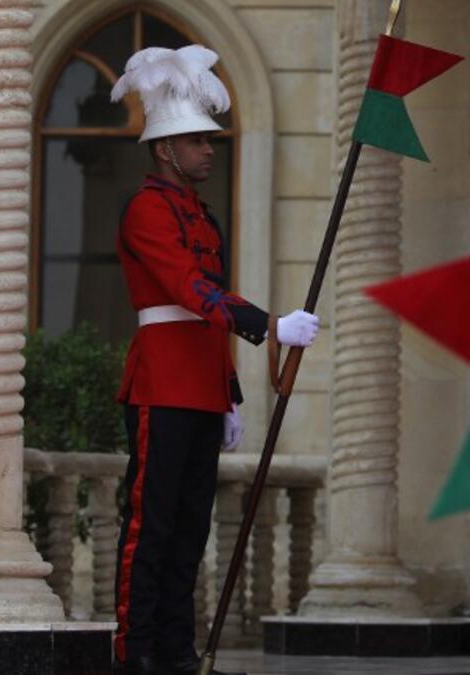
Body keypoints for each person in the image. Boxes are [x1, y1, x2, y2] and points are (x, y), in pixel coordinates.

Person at [108, 45, 319, 675]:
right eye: (199, 141)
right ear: (166, 148)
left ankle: (175, 648)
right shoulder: (147, 209)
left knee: (190, 530)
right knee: (151, 528)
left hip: (200, 387)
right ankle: (136, 649)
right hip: (162, 384)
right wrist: (271, 324)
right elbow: (188, 290)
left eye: (209, 141)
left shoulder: (201, 214)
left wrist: (228, 394)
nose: (209, 150)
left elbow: (210, 317)